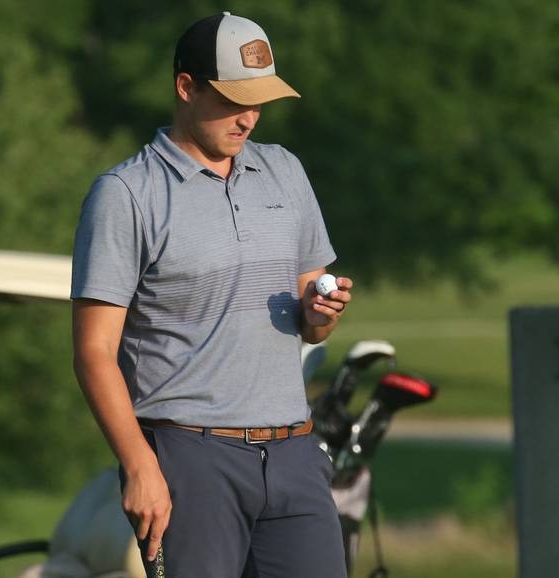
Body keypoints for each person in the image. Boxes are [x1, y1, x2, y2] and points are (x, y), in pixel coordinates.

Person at [71, 12, 351, 578]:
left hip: (294, 454)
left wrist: (320, 313)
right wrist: (138, 465)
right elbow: (94, 352)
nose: (249, 117)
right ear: (186, 87)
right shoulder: (126, 194)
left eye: (260, 100)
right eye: (233, 99)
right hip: (190, 460)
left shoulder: (285, 172)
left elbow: (313, 325)